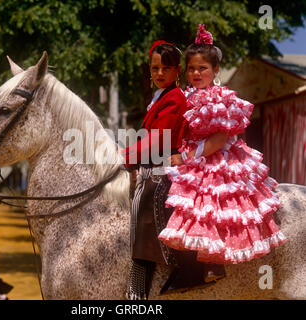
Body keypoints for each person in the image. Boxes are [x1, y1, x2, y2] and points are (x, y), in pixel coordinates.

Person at [158, 25, 287, 266]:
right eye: (192, 68)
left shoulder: (221, 99)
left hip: (215, 157)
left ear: (216, 69)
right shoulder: (184, 97)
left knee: (208, 204)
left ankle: (208, 265)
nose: (196, 73)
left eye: (203, 68)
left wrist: (187, 158)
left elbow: (218, 140)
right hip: (190, 153)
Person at [122, 40, 212, 300]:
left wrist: (122, 156)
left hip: (164, 165)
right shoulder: (159, 97)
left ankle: (138, 286)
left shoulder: (174, 98)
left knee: (145, 201)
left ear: (177, 71)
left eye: (166, 68)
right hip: (154, 161)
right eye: (155, 68)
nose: (159, 73)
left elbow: (157, 141)